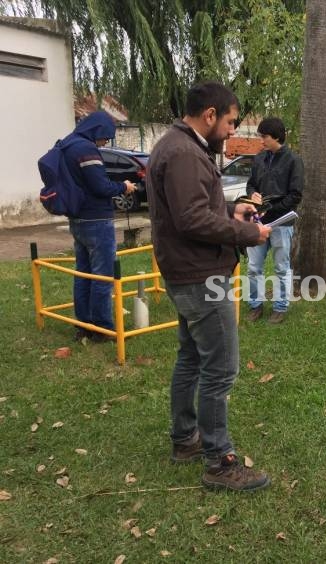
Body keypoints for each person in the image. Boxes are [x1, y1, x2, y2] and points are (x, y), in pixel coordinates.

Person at [146, 81, 273, 492]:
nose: (233, 131)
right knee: (219, 370)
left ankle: (186, 439)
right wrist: (245, 233)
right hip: (201, 276)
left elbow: (195, 207)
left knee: (191, 358)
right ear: (211, 115)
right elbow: (191, 220)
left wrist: (230, 208)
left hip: (186, 272)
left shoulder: (178, 145)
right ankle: (219, 462)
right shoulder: (184, 151)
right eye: (232, 122)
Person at [62, 111, 137, 342]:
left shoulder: (67, 144)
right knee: (103, 276)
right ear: (96, 130)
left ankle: (83, 324)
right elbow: (100, 187)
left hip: (77, 219)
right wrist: (123, 187)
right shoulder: (86, 149)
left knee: (82, 273)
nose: (106, 142)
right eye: (105, 137)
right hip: (96, 220)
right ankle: (103, 328)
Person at [245, 117, 304, 324]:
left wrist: (272, 209)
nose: (261, 141)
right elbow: (251, 184)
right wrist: (252, 194)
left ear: (276, 137)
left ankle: (280, 307)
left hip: (281, 223)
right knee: (253, 266)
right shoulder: (259, 159)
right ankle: (255, 305)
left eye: (264, 137)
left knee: (281, 267)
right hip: (257, 222)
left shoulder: (294, 161)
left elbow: (295, 195)